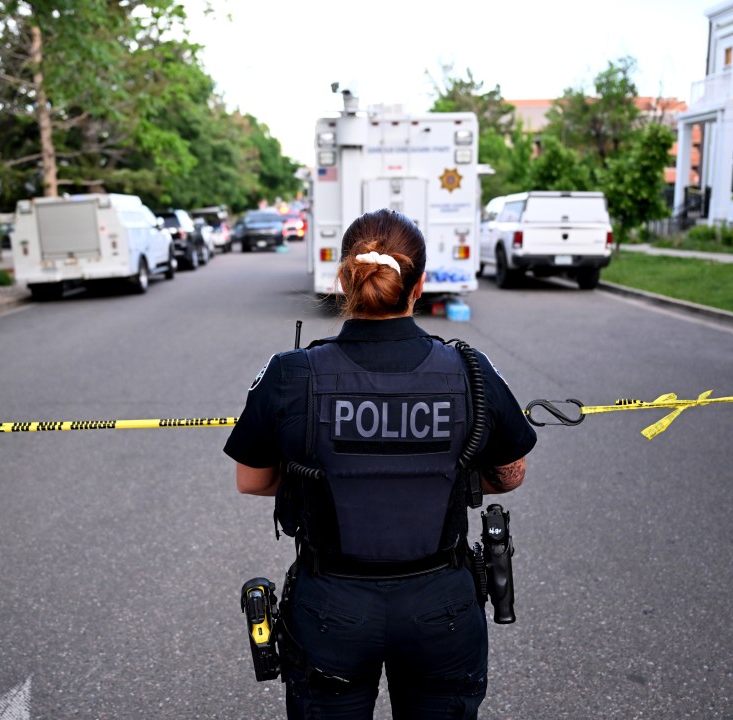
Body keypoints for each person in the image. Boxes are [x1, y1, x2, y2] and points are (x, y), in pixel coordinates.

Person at [224, 209, 537, 719]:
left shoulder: (291, 373)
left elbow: (252, 478)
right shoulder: (470, 369)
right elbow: (511, 474)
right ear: (419, 287)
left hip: (332, 609)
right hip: (443, 608)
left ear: (344, 277)